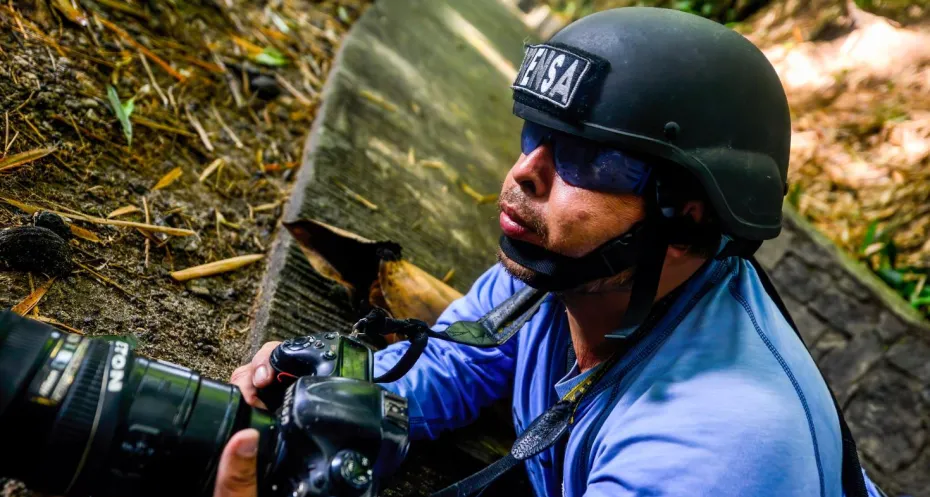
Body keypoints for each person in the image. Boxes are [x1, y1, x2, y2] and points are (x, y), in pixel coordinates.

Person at [225, 7, 887, 497]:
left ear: (685, 221)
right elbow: (459, 361)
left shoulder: (713, 448)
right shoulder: (568, 280)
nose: (524, 173)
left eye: (589, 158)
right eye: (534, 132)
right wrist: (320, 406)